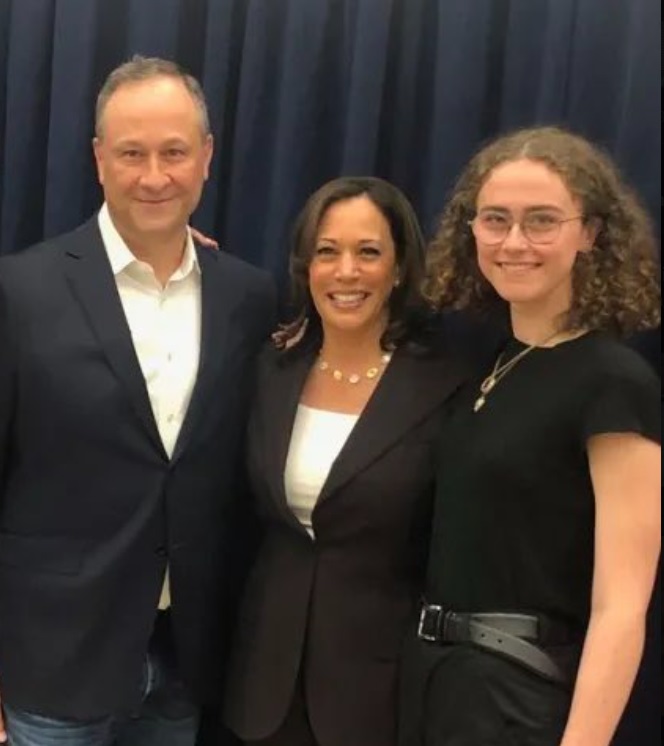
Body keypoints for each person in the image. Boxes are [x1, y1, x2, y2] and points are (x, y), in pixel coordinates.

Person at [0, 56, 275, 746]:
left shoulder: (248, 297)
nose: (155, 176)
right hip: (52, 667)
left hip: (185, 662)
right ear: (98, 160)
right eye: (132, 153)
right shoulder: (18, 293)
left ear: (207, 157)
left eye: (175, 152)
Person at [399, 126, 661, 746]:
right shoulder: (490, 363)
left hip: (523, 699)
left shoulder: (614, 383)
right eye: (495, 220)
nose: (514, 242)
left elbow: (622, 607)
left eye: (542, 220)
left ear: (590, 233)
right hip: (436, 684)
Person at [223, 176, 469, 746]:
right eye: (327, 252)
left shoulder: (446, 384)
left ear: (401, 267)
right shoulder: (269, 370)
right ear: (305, 266)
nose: (346, 272)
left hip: (379, 693)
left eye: (369, 252)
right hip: (261, 685)